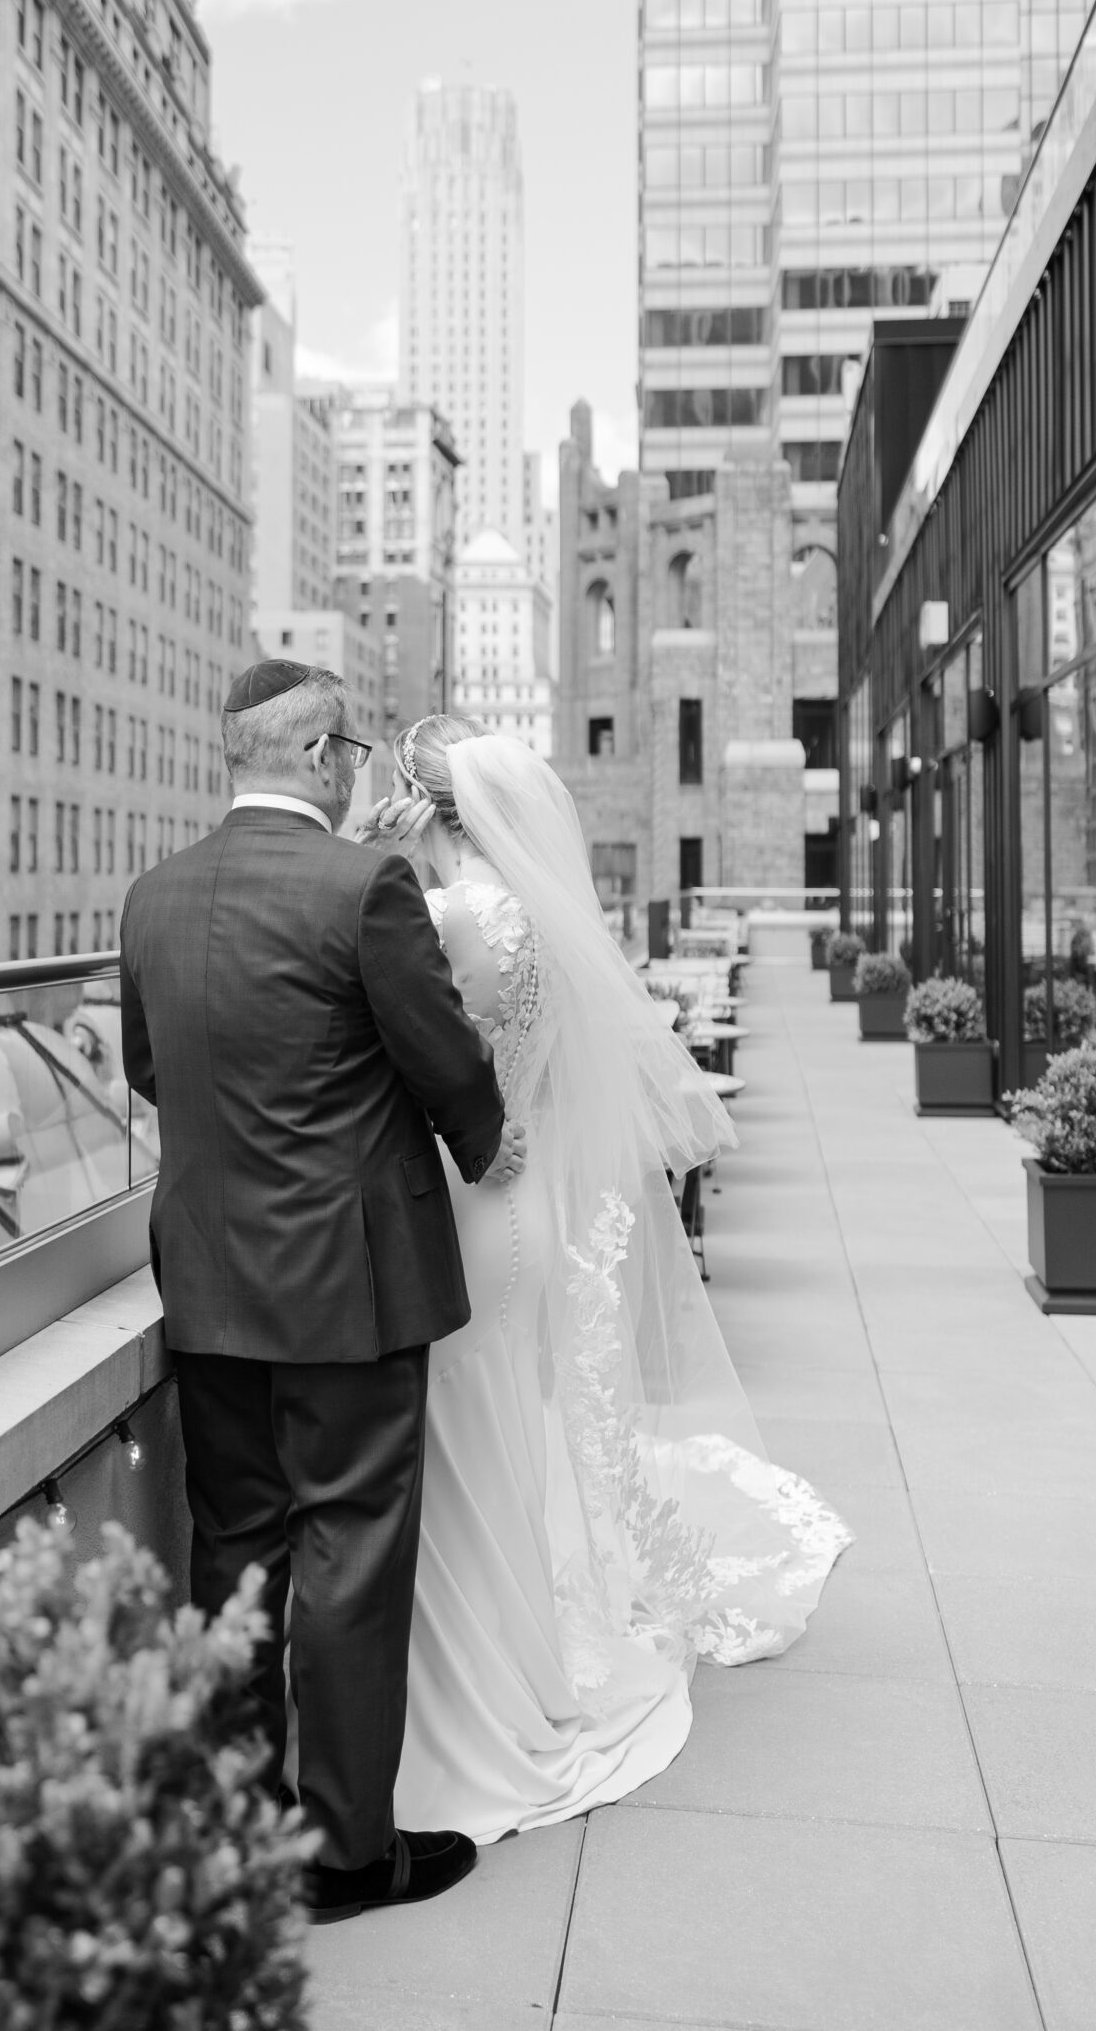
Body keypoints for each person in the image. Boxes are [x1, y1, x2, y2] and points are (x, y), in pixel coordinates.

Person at [367, 715, 852, 1842]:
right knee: (490, 1438)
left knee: (463, 1450)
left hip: (472, 1210)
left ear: (431, 812)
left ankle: (481, 1689)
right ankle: (507, 1653)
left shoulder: (454, 915)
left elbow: (408, 1040)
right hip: (515, 1200)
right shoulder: (520, 912)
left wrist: (385, 863)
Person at [118, 660, 526, 1923]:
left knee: (233, 1550)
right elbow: (442, 1054)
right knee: (351, 1551)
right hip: (347, 1287)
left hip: (209, 1280)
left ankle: (239, 1826)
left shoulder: (153, 896)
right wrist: (485, 1144)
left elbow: (149, 1070)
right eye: (347, 748)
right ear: (314, 755)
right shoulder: (366, 888)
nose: (357, 768)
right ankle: (348, 1852)